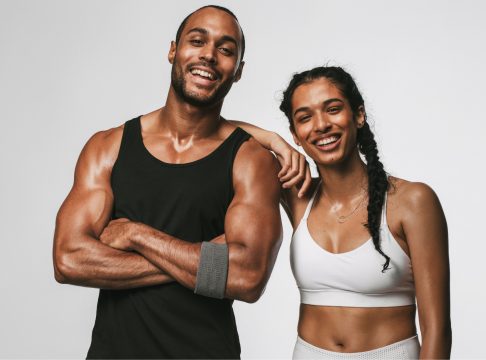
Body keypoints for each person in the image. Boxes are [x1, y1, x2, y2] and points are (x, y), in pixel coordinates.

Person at [52, 5, 301, 359]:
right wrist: (203, 257)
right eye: (197, 40)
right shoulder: (108, 147)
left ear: (239, 71)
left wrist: (137, 235)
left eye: (226, 50)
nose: (209, 55)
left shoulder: (251, 161)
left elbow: (246, 277)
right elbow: (69, 260)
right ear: (173, 50)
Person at [234, 66, 452, 358]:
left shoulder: (412, 201)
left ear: (358, 115)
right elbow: (219, 130)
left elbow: (437, 330)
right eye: (305, 118)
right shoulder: (298, 195)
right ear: (296, 134)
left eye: (333, 109)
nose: (321, 125)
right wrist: (275, 142)